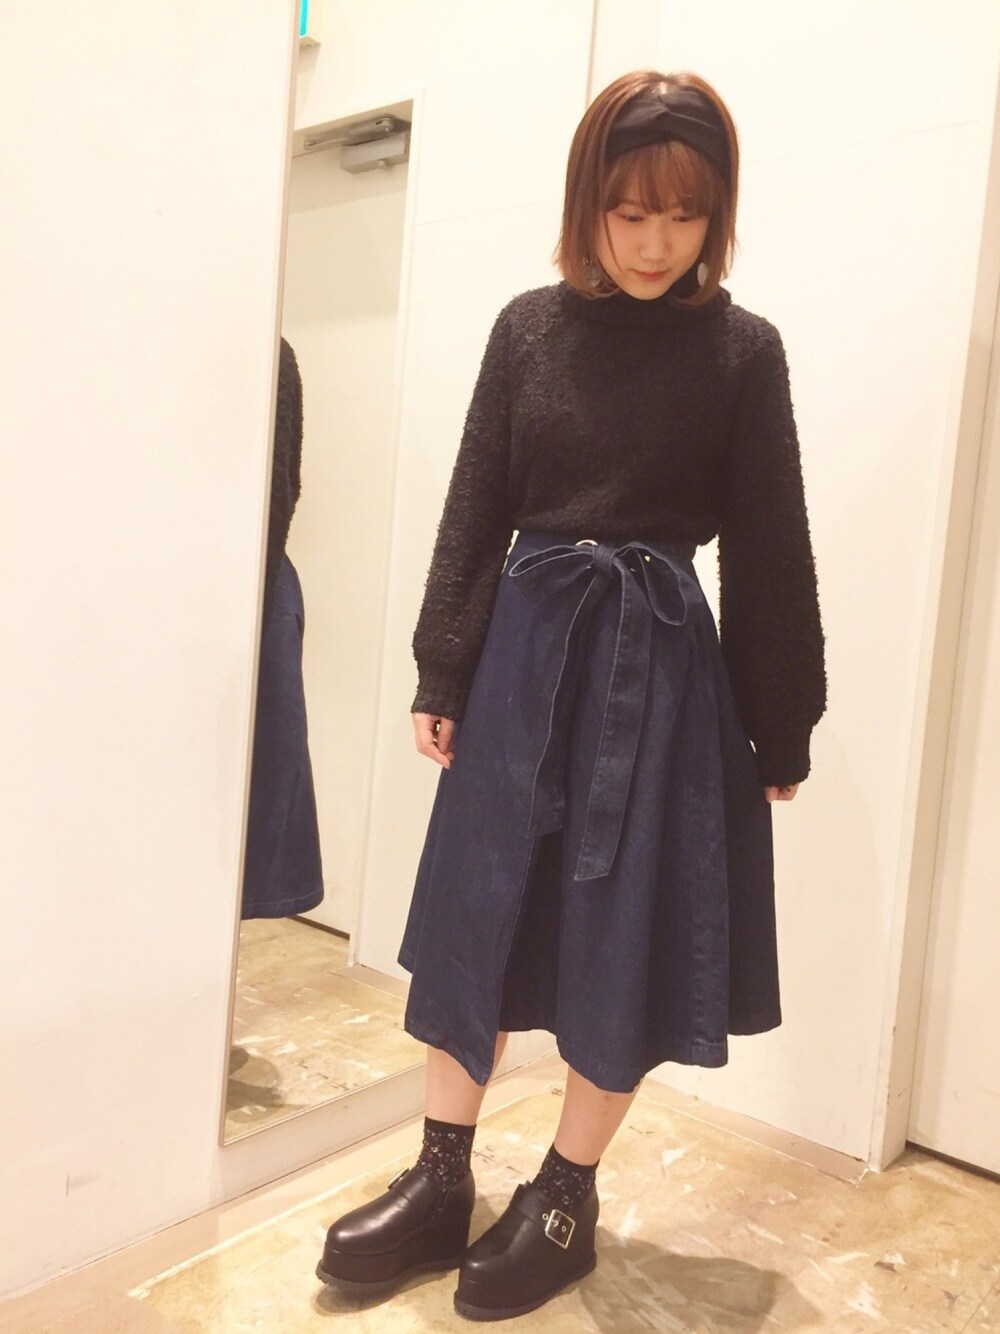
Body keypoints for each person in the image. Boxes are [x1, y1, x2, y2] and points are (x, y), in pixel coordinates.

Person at [316, 69, 826, 1321]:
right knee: (476, 912)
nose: (656, 242)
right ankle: (441, 1173)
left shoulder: (742, 352)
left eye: (684, 215)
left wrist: (781, 717)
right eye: (630, 211)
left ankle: (562, 1196)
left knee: (621, 940)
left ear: (717, 216)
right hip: (522, 662)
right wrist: (445, 662)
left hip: (659, 680)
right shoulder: (528, 330)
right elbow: (476, 503)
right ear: (586, 203)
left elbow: (771, 544)